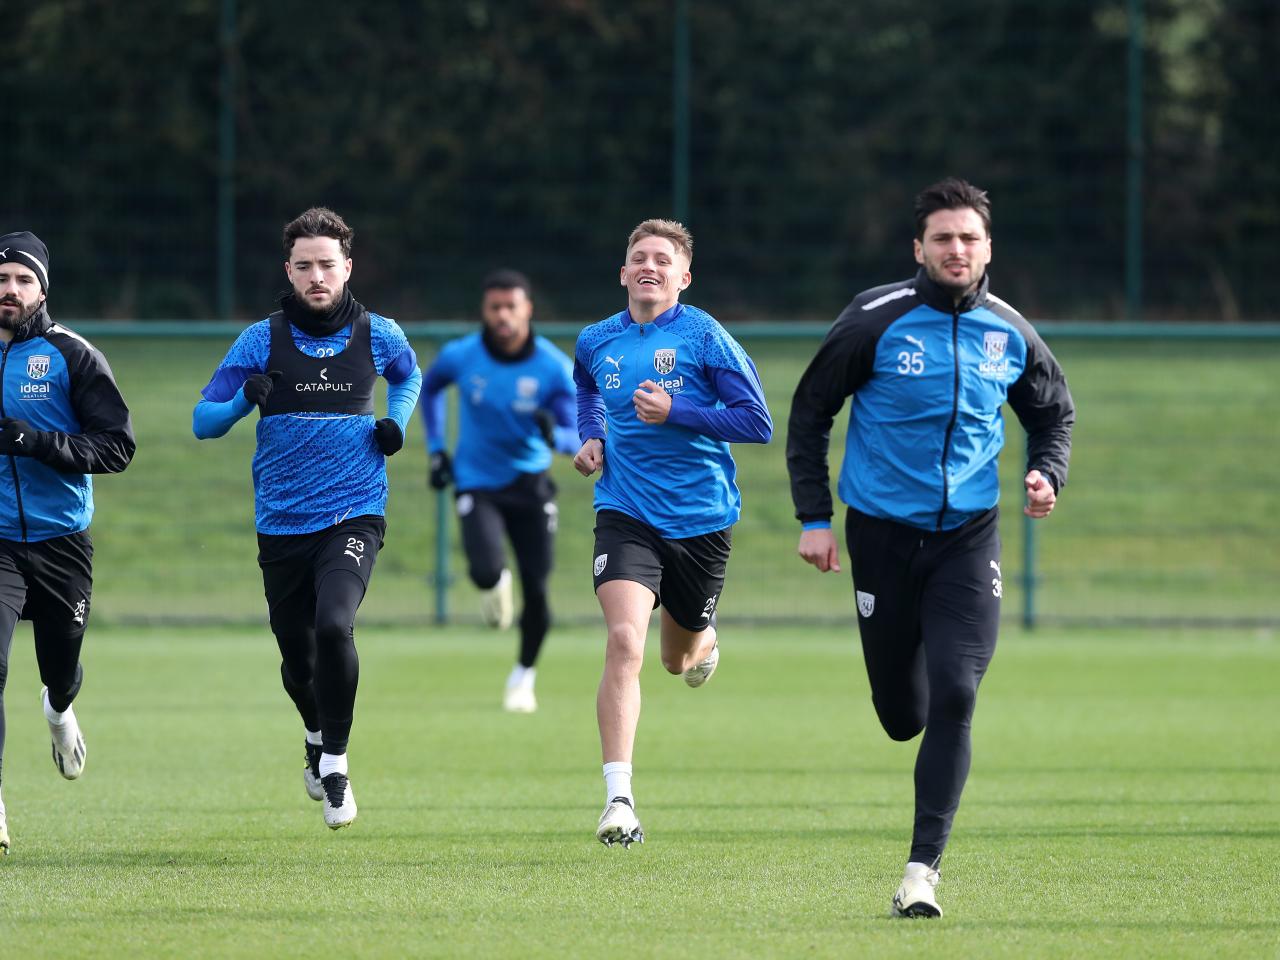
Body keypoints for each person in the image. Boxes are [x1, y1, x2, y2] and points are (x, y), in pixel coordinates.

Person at [786, 178, 1075, 917]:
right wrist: (814, 516)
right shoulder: (874, 320)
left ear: (988, 249)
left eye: (970, 239)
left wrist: (1046, 473)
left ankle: (921, 872)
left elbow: (1053, 413)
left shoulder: (1009, 330)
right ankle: (901, 696)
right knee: (902, 715)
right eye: (943, 238)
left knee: (957, 691)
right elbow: (811, 410)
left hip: (968, 542)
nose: (957, 250)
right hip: (880, 538)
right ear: (918, 247)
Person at [193, 208, 421, 831]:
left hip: (354, 513)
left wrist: (396, 421)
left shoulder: (378, 333)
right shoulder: (261, 339)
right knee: (297, 659)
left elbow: (408, 374)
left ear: (348, 267)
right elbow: (202, 421)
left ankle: (338, 764)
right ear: (288, 271)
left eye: (327, 264)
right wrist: (244, 399)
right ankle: (316, 735)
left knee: (334, 624)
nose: (317, 276)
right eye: (304, 266)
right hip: (281, 522)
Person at [573, 219, 772, 847]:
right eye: (639, 258)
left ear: (684, 277)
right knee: (625, 641)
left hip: (703, 519)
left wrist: (678, 412)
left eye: (664, 259)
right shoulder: (595, 340)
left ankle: (702, 642)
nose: (649, 266)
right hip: (625, 512)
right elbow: (586, 391)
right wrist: (593, 435)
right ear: (623, 272)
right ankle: (619, 801)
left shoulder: (705, 336)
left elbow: (756, 421)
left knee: (673, 657)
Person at [0, 232, 136, 855]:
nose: (9, 290)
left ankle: (58, 711)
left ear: (42, 289)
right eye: (1, 280)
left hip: (61, 545)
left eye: (22, 280)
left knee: (60, 669)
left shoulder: (73, 356)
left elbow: (116, 447)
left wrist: (35, 443)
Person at [420, 270, 577, 713]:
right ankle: (496, 582)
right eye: (495, 308)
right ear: (484, 311)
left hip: (530, 485)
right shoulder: (461, 355)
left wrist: (557, 438)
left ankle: (523, 676)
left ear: (528, 309)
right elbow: (430, 387)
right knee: (486, 571)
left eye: (512, 307)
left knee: (539, 589)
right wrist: (436, 450)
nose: (503, 316)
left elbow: (575, 433)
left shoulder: (551, 367)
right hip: (477, 482)